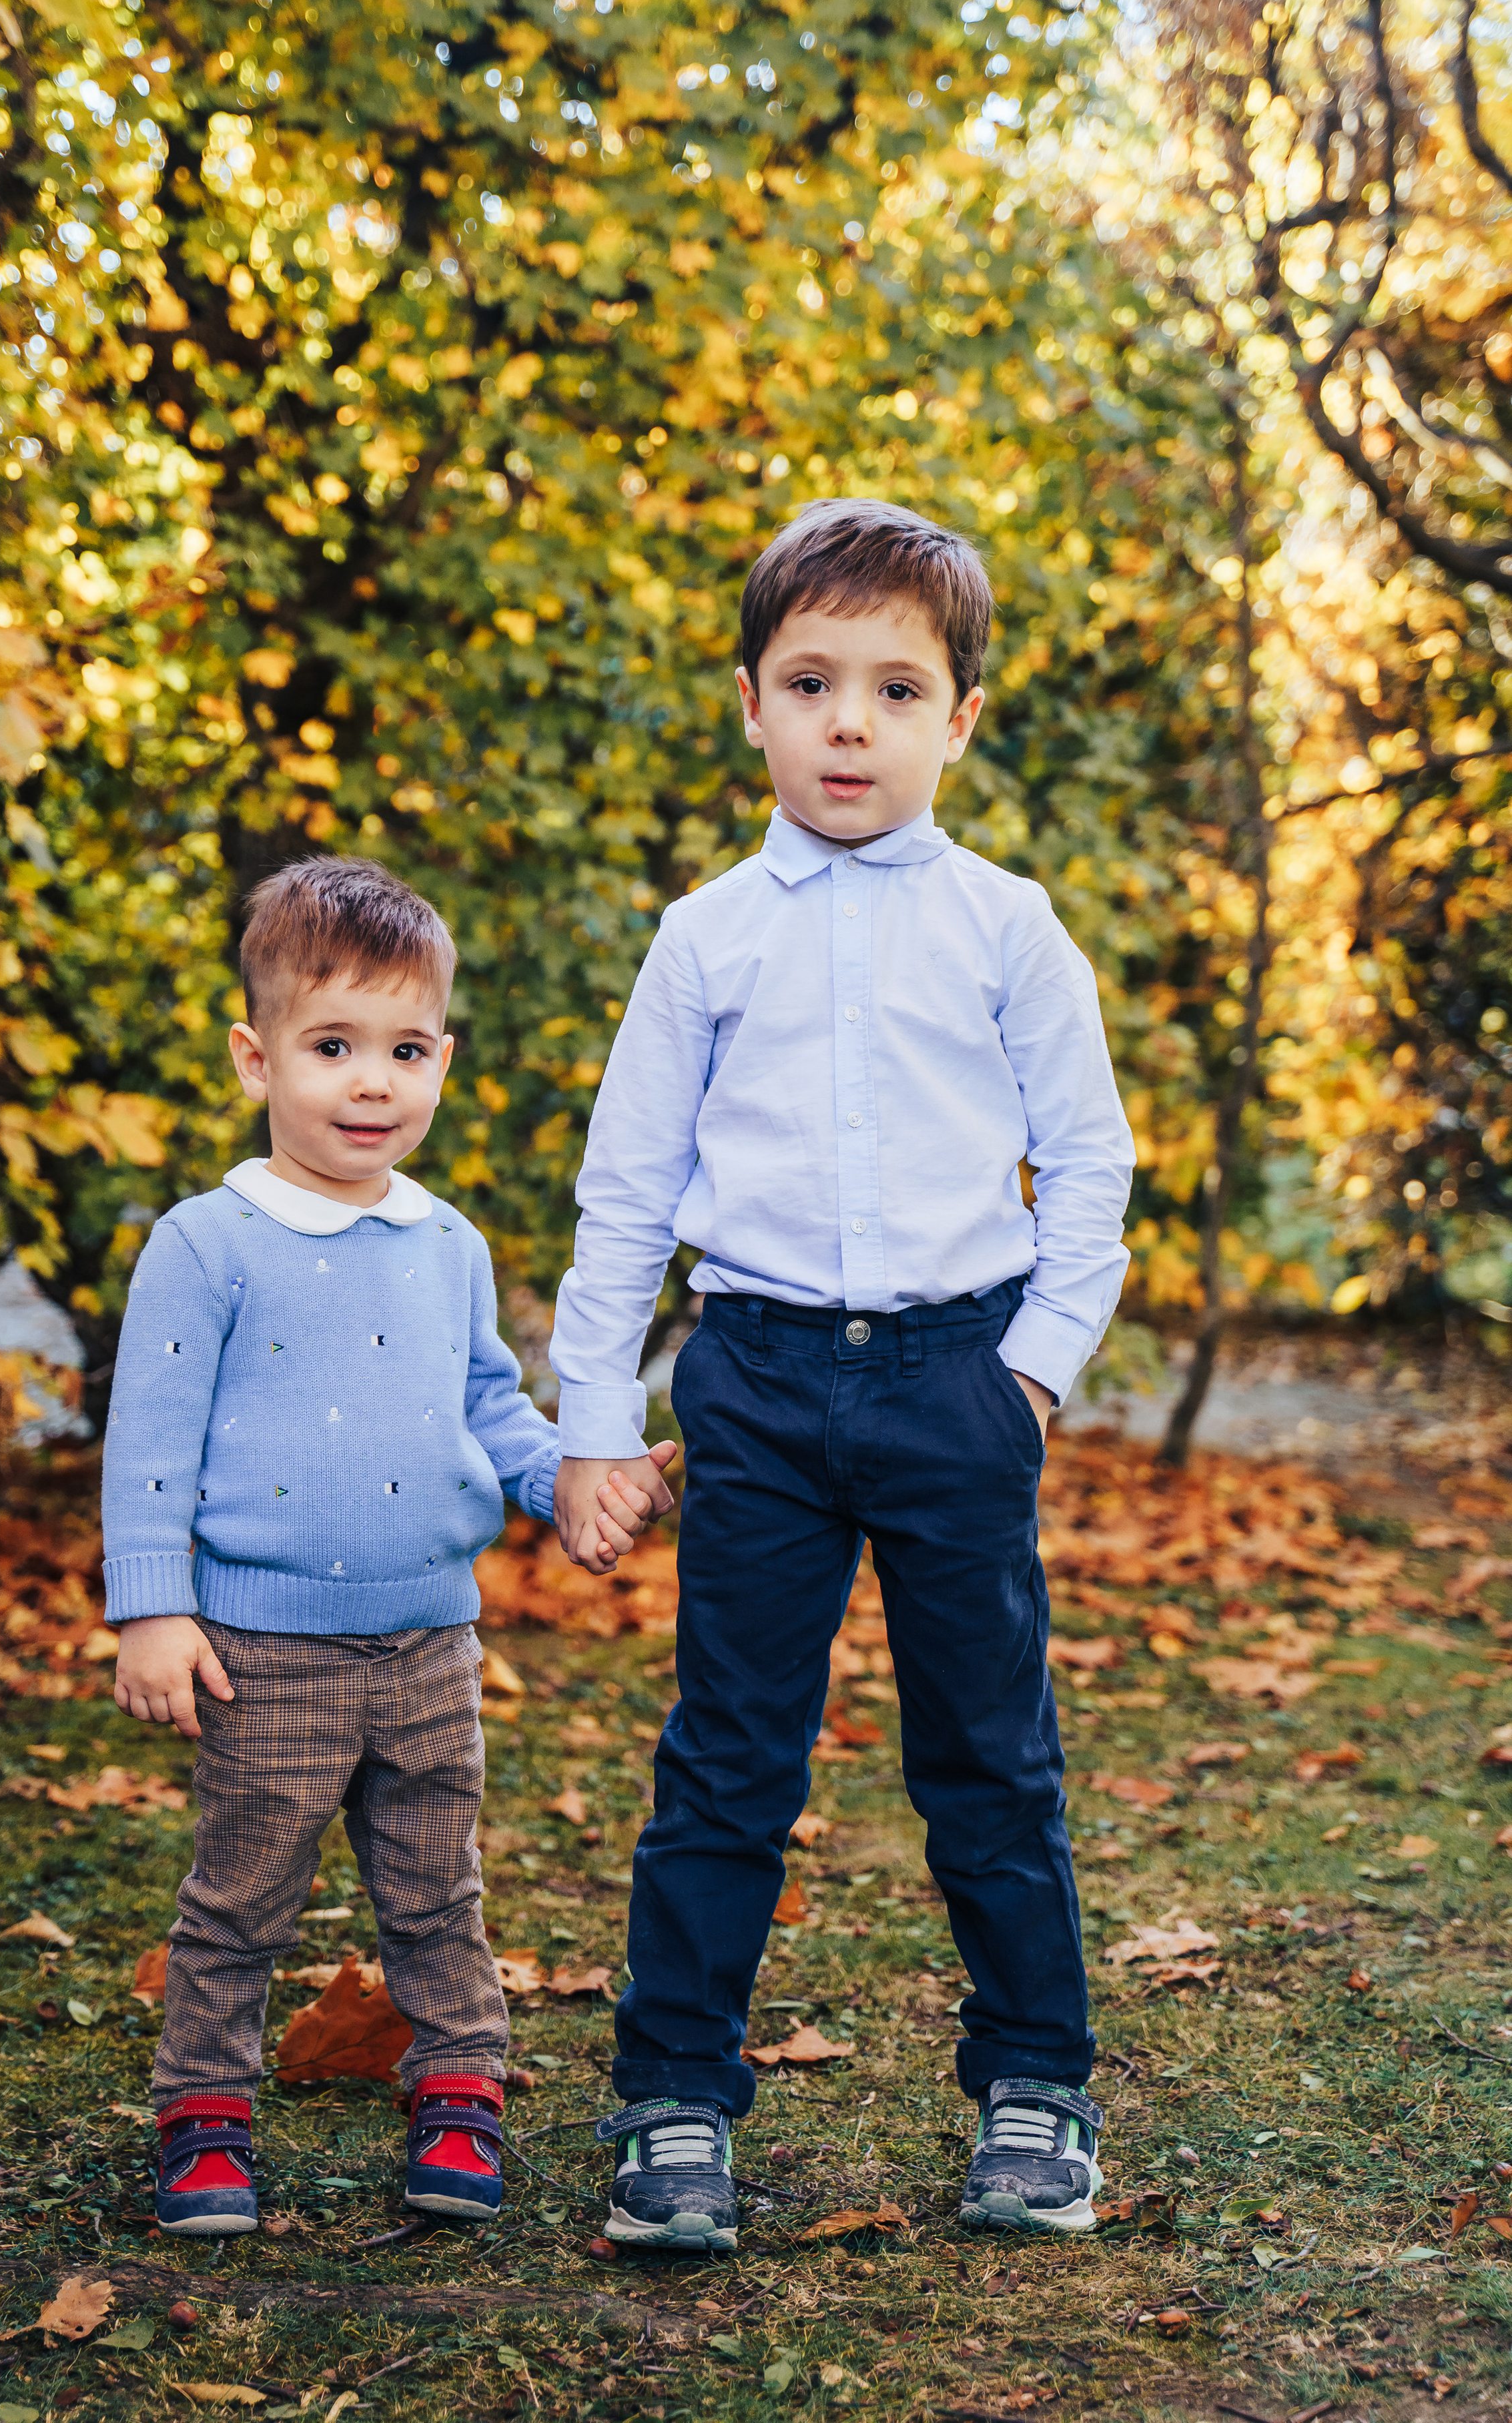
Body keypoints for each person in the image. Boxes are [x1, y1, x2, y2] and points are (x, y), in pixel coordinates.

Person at [548, 498, 1136, 2247]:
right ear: (753, 705)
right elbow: (628, 1196)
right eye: (813, 683)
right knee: (728, 1756)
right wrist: (597, 1419)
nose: (851, 723)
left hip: (960, 1379)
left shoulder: (1010, 927)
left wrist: (1030, 1377)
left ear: (960, 718)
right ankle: (674, 2106)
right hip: (760, 1385)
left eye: (896, 688)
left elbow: (1087, 1167)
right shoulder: (704, 937)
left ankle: (1036, 2085)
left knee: (989, 1755)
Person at [99, 857, 675, 2235]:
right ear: (257, 1057)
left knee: (437, 1888)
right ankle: (203, 2119)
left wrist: (572, 1483)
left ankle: (460, 2092)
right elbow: (151, 1438)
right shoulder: (207, 1245)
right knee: (241, 1900)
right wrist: (152, 1608)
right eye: (333, 1047)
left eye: (404, 1050)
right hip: (263, 1652)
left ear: (441, 1059)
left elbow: (487, 1410)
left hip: (429, 1642)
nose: (371, 1083)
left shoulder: (446, 1244)